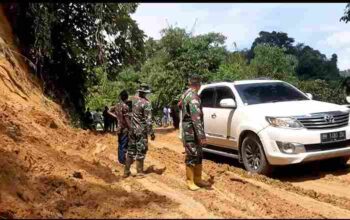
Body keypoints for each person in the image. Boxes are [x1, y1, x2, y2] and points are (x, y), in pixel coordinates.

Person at [178, 74, 211, 191]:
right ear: (199, 85)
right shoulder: (193, 97)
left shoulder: (186, 94)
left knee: (198, 155)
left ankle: (198, 179)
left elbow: (180, 105)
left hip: (191, 132)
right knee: (192, 156)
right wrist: (202, 136)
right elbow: (196, 119)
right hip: (191, 133)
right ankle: (190, 181)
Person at [125, 83, 156, 178]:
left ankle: (126, 172)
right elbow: (148, 120)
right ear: (146, 92)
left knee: (130, 150)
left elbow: (127, 111)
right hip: (141, 131)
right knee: (141, 151)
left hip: (132, 130)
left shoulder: (132, 101)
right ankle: (139, 172)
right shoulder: (146, 103)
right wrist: (151, 133)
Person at [108, 90, 131, 165]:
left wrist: (116, 117)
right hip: (124, 128)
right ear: (126, 98)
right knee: (124, 144)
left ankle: (120, 159)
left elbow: (109, 110)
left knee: (120, 143)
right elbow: (127, 119)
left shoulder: (117, 105)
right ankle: (122, 161)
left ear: (121, 97)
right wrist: (131, 128)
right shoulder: (126, 107)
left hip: (118, 127)